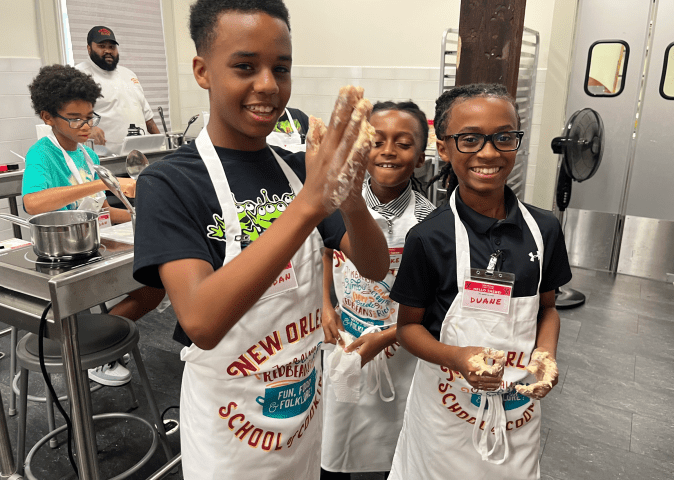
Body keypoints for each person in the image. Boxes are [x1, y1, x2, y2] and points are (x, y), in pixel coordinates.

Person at [131, 1, 389, 478]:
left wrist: (351, 199)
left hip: (301, 415)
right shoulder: (168, 183)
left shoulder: (294, 169)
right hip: (231, 431)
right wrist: (310, 204)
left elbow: (373, 267)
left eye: (281, 68)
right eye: (245, 67)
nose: (269, 85)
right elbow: (203, 321)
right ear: (203, 71)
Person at [388, 83, 572, 479]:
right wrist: (457, 357)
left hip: (516, 416)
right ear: (443, 147)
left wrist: (546, 354)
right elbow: (408, 329)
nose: (489, 153)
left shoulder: (544, 230)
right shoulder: (428, 238)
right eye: (469, 139)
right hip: (445, 420)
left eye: (503, 137)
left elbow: (549, 308)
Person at [23, 64, 165, 386]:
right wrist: (103, 185)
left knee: (156, 282)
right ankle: (93, 350)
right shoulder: (42, 155)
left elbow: (100, 212)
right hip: (64, 257)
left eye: (89, 117)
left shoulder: (88, 156)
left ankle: (103, 339)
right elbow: (33, 202)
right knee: (147, 283)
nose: (86, 125)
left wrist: (136, 213)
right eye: (75, 118)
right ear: (48, 117)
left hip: (93, 245)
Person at [320, 101, 435, 480]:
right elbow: (327, 250)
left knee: (387, 435)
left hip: (397, 346)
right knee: (337, 427)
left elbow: (433, 300)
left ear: (420, 158)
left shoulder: (429, 222)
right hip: (346, 339)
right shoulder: (339, 204)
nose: (388, 151)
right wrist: (326, 305)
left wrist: (386, 338)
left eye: (403, 143)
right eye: (377, 140)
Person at [76, 26, 160, 154]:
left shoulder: (129, 75)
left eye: (112, 47)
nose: (108, 51)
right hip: (103, 159)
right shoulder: (78, 75)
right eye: (102, 46)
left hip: (140, 156)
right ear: (89, 48)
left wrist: (162, 145)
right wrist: (87, 127)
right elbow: (65, 116)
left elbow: (148, 118)